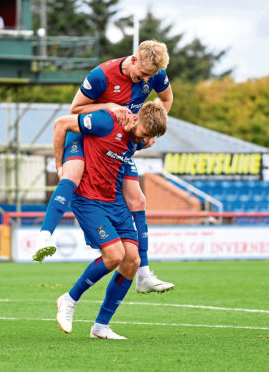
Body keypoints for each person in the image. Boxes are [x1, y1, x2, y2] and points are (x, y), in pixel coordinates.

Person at [34, 40, 175, 294]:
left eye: (151, 76)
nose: (146, 80)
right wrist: (110, 106)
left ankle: (143, 273)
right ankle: (45, 236)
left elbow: (166, 100)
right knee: (73, 173)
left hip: (122, 138)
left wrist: (152, 127)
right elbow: (74, 110)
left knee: (138, 199)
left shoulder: (155, 74)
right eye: (143, 74)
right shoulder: (101, 75)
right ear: (134, 59)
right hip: (90, 129)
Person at [53, 101, 168, 339]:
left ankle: (101, 326)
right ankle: (69, 299)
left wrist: (145, 139)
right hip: (90, 197)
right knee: (115, 255)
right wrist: (60, 166)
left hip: (114, 197)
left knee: (131, 261)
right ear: (136, 120)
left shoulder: (140, 134)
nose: (145, 139)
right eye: (145, 134)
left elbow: (147, 132)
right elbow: (66, 119)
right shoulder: (109, 120)